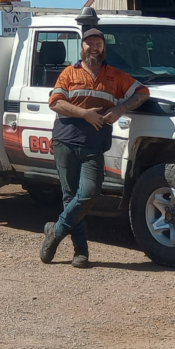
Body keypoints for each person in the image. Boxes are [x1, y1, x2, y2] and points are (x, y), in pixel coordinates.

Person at [39, 28, 149, 268]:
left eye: (98, 43)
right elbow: (55, 103)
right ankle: (81, 252)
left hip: (94, 146)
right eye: (89, 44)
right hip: (65, 141)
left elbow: (142, 92)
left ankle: (55, 231)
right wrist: (85, 114)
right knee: (70, 197)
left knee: (89, 193)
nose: (93, 47)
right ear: (82, 47)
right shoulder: (69, 73)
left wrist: (120, 109)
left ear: (103, 48)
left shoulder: (116, 76)